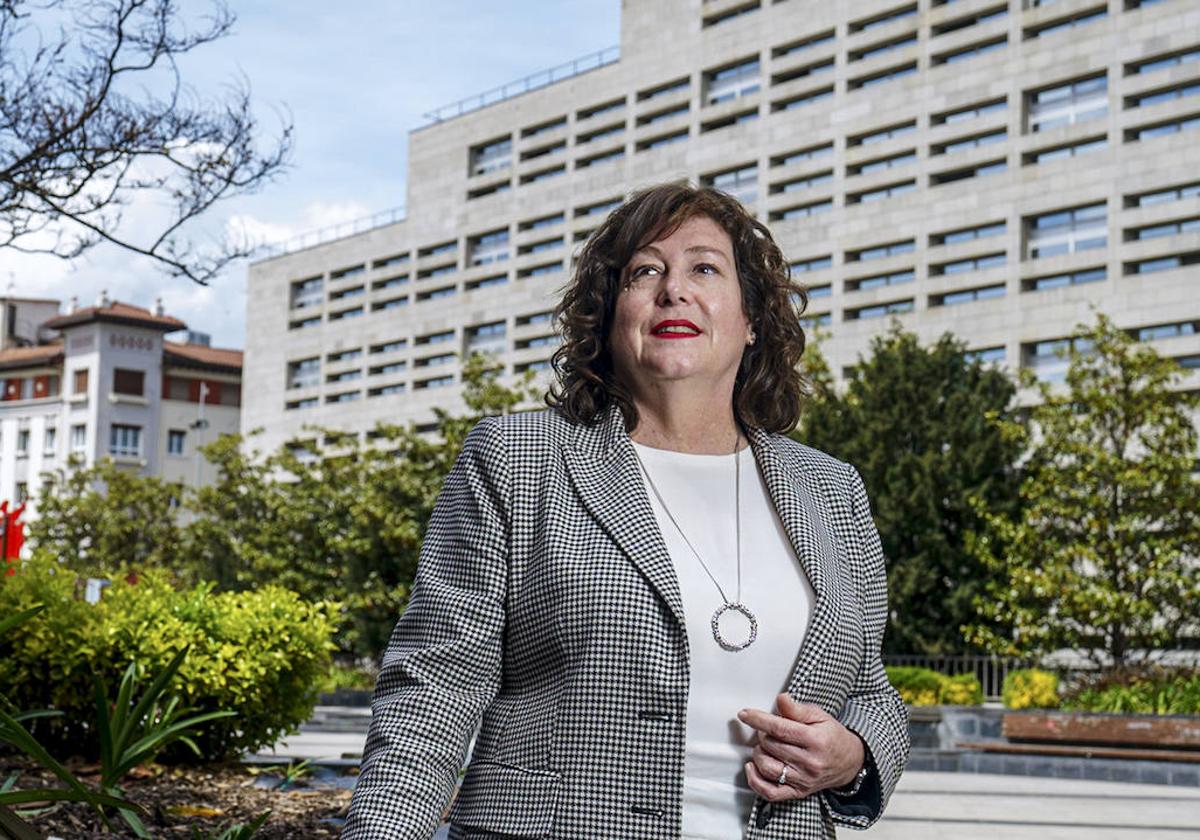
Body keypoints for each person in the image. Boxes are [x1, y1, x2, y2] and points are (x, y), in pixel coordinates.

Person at [343, 183, 910, 840]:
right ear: (611, 316)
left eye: (705, 268)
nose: (674, 290)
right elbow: (434, 691)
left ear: (752, 319)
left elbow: (872, 692)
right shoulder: (517, 459)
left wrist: (854, 756)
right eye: (646, 271)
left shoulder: (832, 489)